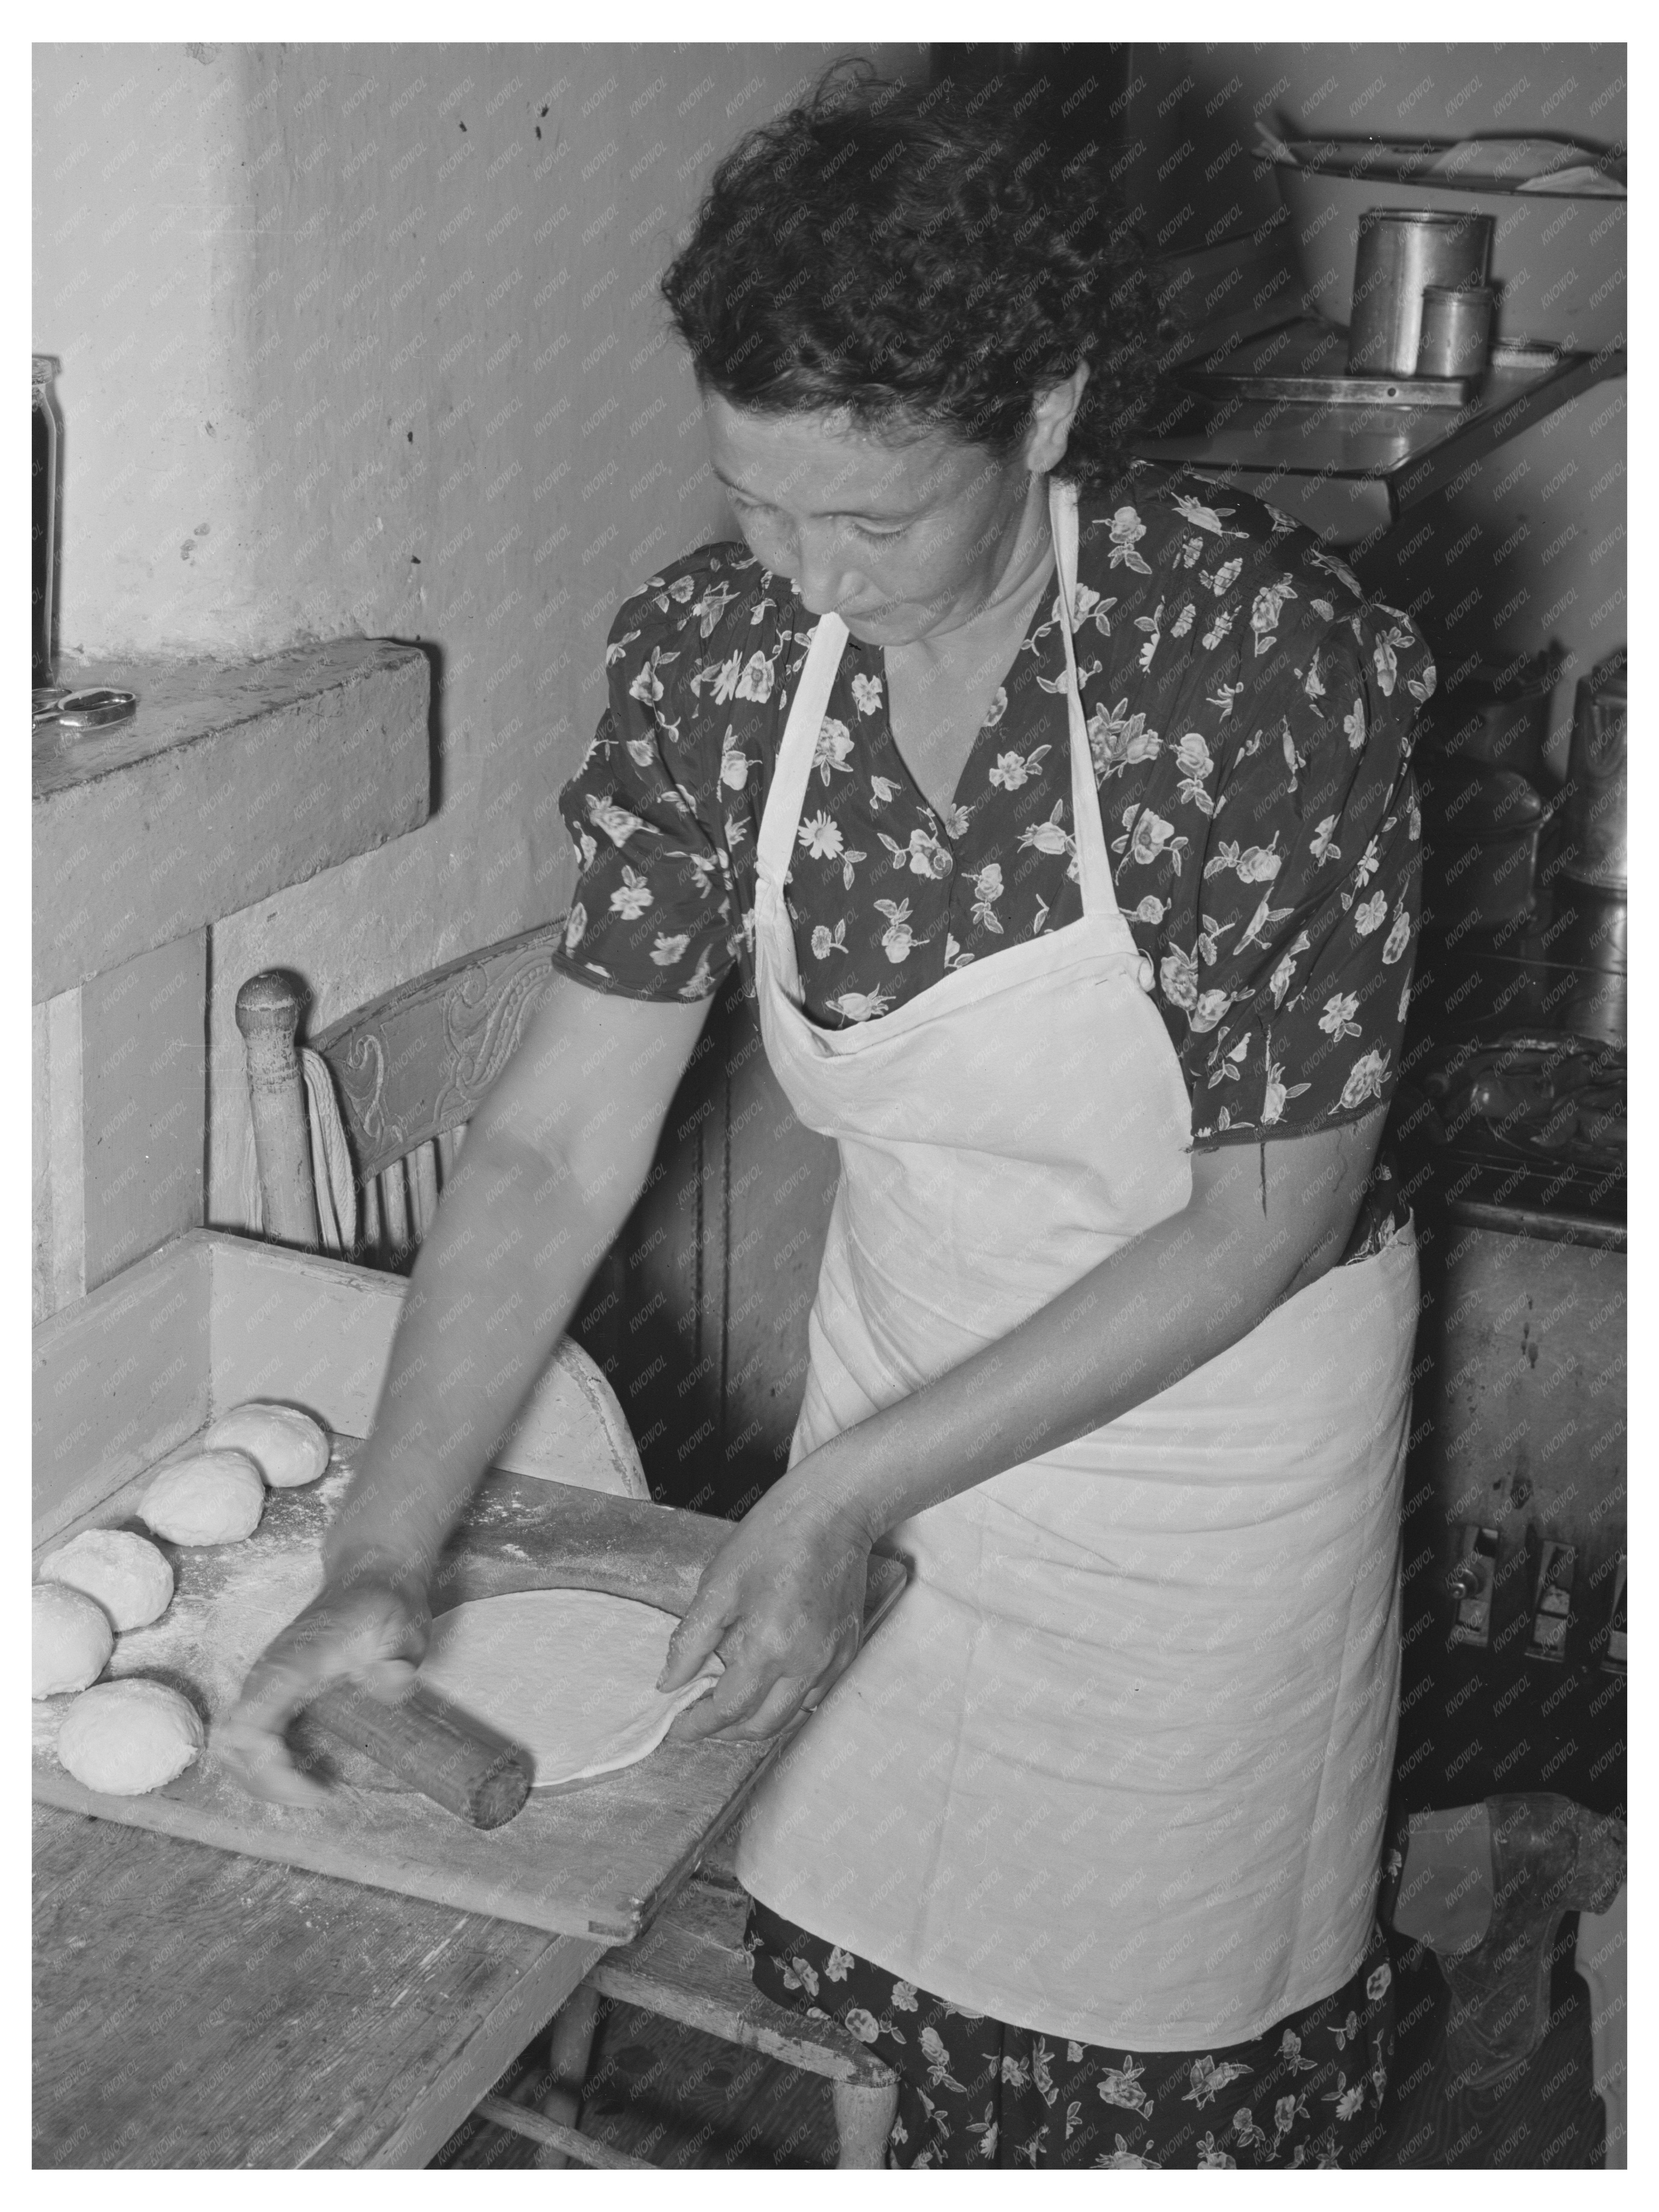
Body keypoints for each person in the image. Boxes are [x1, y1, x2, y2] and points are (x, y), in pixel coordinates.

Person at [226, 65, 1434, 2169]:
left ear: (1044, 415)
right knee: (884, 1977)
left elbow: (1269, 1216)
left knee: (1148, 2041)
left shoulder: (1248, 664)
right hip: (903, 1370)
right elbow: (553, 1147)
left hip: (1209, 1463)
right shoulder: (717, 664)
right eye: (759, 505)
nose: (811, 574)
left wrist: (836, 1500)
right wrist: (381, 1552)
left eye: (873, 519)